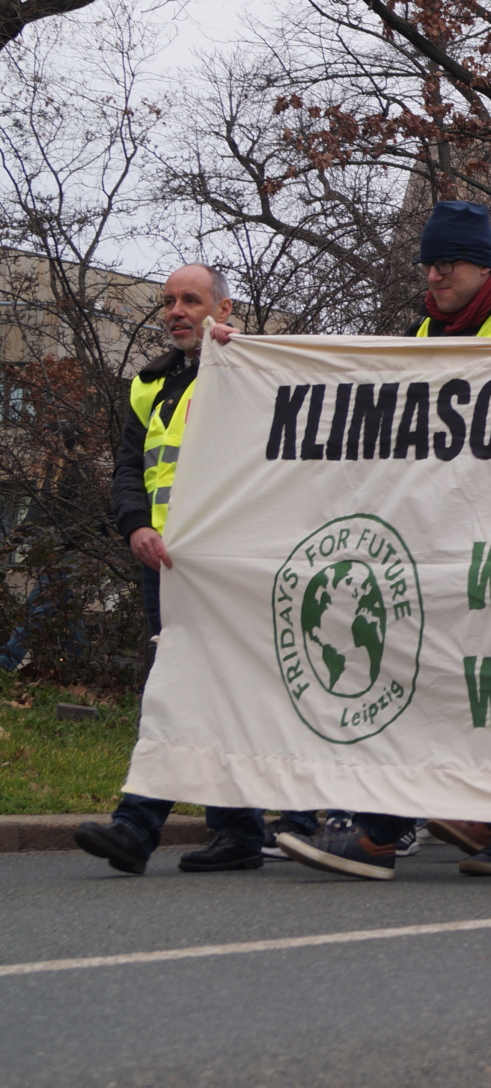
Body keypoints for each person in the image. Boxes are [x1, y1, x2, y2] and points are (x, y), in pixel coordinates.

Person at [280, 201, 491, 882]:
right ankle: (384, 828)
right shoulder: (418, 333)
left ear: (482, 263)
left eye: (445, 263)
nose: (432, 275)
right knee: (411, 670)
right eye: (427, 264)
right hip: (436, 540)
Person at [73, 264, 272, 876]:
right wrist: (136, 525)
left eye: (191, 300)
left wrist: (245, 356)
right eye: (168, 302)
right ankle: (237, 829)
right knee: (206, 687)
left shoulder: (252, 369)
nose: (176, 311)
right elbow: (130, 469)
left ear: (224, 308)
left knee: (180, 685)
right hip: (166, 563)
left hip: (227, 563)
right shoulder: (151, 385)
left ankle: (138, 826)